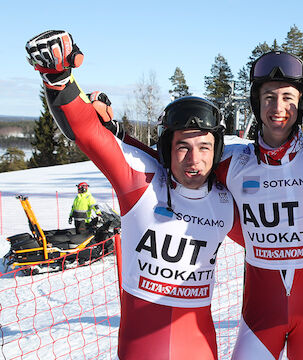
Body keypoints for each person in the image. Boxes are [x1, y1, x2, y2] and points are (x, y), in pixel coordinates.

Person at [26, 30, 243, 360]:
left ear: (217, 151)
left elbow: (273, 241)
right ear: (167, 149)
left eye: (204, 147)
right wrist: (58, 78)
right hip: (144, 348)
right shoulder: (140, 182)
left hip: (201, 346)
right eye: (182, 146)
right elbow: (88, 134)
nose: (193, 159)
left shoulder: (227, 201)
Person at [214, 51, 303, 360]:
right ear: (256, 102)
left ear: (301, 103)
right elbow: (172, 158)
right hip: (260, 316)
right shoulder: (232, 161)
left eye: (288, 97)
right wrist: (118, 132)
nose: (278, 108)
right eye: (268, 97)